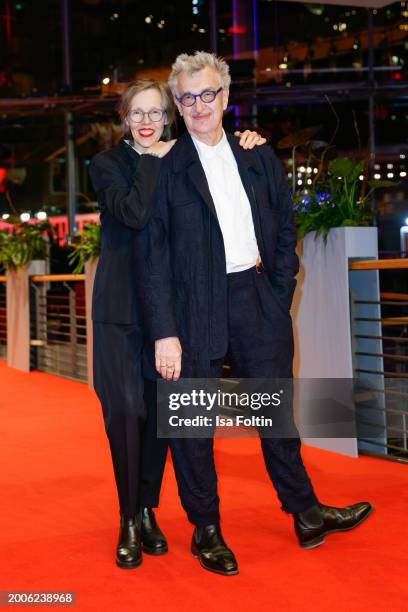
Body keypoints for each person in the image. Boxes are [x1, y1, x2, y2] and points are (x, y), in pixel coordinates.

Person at [138, 53, 373, 577]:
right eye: (187, 97)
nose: (198, 105)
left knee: (273, 413)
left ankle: (306, 514)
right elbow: (151, 257)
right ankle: (207, 529)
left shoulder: (257, 155)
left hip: (256, 295)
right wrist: (165, 332)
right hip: (191, 305)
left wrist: (279, 286)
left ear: (224, 97)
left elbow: (285, 224)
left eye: (207, 94)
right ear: (177, 104)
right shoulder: (163, 168)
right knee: (193, 422)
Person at [89, 78, 266, 570]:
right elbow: (134, 212)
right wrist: (152, 160)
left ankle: (147, 509)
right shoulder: (108, 165)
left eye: (155, 113)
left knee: (163, 421)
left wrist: (246, 140)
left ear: (166, 118)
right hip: (120, 312)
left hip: (168, 312)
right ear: (124, 119)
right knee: (125, 415)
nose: (147, 122)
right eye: (137, 113)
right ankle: (127, 518)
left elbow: (221, 172)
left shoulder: (180, 158)